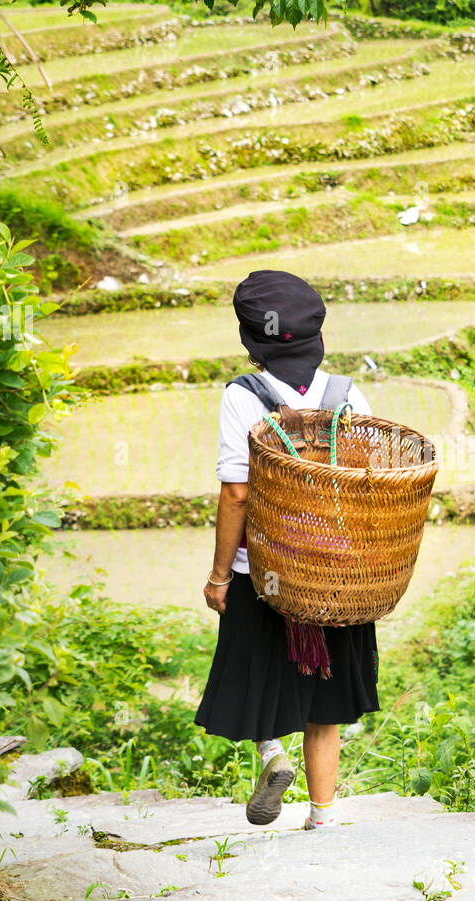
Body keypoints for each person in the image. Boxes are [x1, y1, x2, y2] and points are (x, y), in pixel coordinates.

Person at [196, 270, 378, 831]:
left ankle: (272, 753)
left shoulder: (243, 397)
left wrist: (221, 575)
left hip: (266, 573)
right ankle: (322, 817)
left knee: (259, 674)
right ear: (316, 337)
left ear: (251, 342)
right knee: (326, 703)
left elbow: (237, 492)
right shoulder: (349, 395)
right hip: (334, 573)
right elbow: (372, 483)